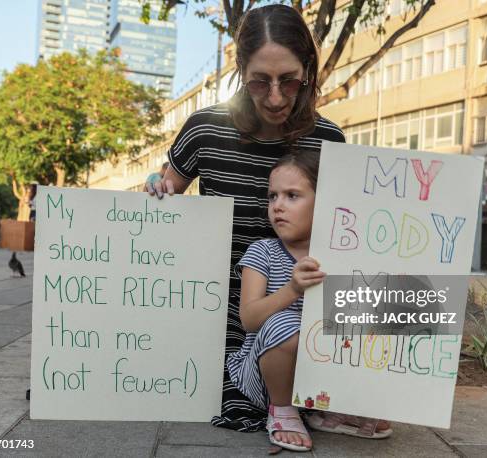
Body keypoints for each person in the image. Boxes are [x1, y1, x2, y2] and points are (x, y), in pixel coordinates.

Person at [146, 4, 346, 431]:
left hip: (304, 316)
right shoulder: (204, 128)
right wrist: (157, 192)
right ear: (240, 70)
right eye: (259, 81)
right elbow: (165, 205)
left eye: (289, 81)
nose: (275, 97)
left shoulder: (329, 140)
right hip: (219, 320)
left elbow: (344, 235)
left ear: (308, 71)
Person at [228, 150, 392, 451]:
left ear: (326, 202)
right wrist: (291, 290)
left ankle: (328, 409)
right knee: (283, 323)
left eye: (292, 196)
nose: (277, 206)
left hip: (323, 372)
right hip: (267, 377)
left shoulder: (344, 256)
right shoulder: (262, 251)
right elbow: (249, 319)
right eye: (272, 196)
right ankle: (282, 411)